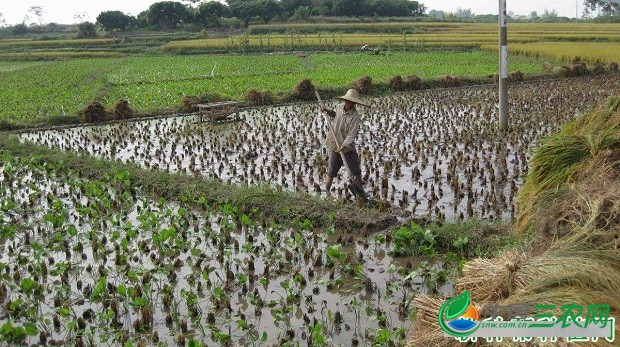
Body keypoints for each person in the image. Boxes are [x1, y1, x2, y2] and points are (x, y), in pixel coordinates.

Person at [320, 88, 369, 201]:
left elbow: (352, 134)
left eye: (350, 102)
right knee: (331, 171)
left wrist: (344, 145)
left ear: (354, 103)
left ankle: (360, 192)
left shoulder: (355, 116)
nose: (348, 103)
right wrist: (326, 110)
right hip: (334, 143)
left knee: (355, 170)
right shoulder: (339, 107)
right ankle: (326, 193)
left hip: (347, 148)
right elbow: (334, 115)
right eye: (347, 101)